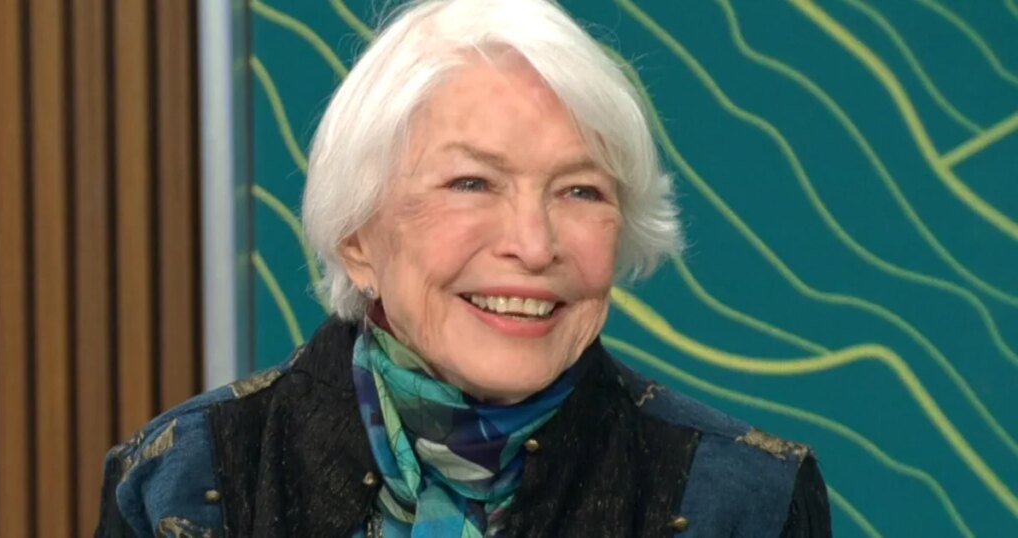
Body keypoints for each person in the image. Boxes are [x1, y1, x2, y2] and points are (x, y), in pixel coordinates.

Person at [97, 0, 831, 536]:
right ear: (357, 236)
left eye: (580, 191)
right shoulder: (185, 482)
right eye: (472, 183)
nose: (533, 245)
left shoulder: (746, 501)